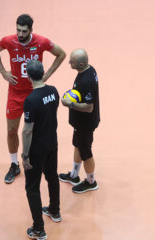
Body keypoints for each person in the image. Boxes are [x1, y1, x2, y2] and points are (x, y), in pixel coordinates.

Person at [0, 14, 66, 184]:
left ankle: (36, 160)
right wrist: (3, 72)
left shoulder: (41, 42)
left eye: (24, 31)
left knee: (37, 131)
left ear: (31, 30)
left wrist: (47, 75)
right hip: (15, 94)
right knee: (11, 130)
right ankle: (14, 164)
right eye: (17, 29)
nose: (20, 34)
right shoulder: (9, 41)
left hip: (35, 93)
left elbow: (61, 54)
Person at [22, 60, 61, 240]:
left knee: (32, 187)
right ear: (43, 72)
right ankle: (55, 211)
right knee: (52, 176)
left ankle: (39, 229)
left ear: (28, 76)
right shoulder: (53, 91)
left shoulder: (31, 100)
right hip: (52, 143)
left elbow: (28, 130)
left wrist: (25, 155)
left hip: (37, 149)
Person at [59, 49, 100, 194]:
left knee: (86, 152)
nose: (69, 62)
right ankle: (74, 176)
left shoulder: (86, 81)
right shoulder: (89, 70)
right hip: (79, 123)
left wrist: (70, 104)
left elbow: (89, 107)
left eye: (72, 61)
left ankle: (90, 182)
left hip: (85, 124)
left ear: (81, 64)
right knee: (77, 145)